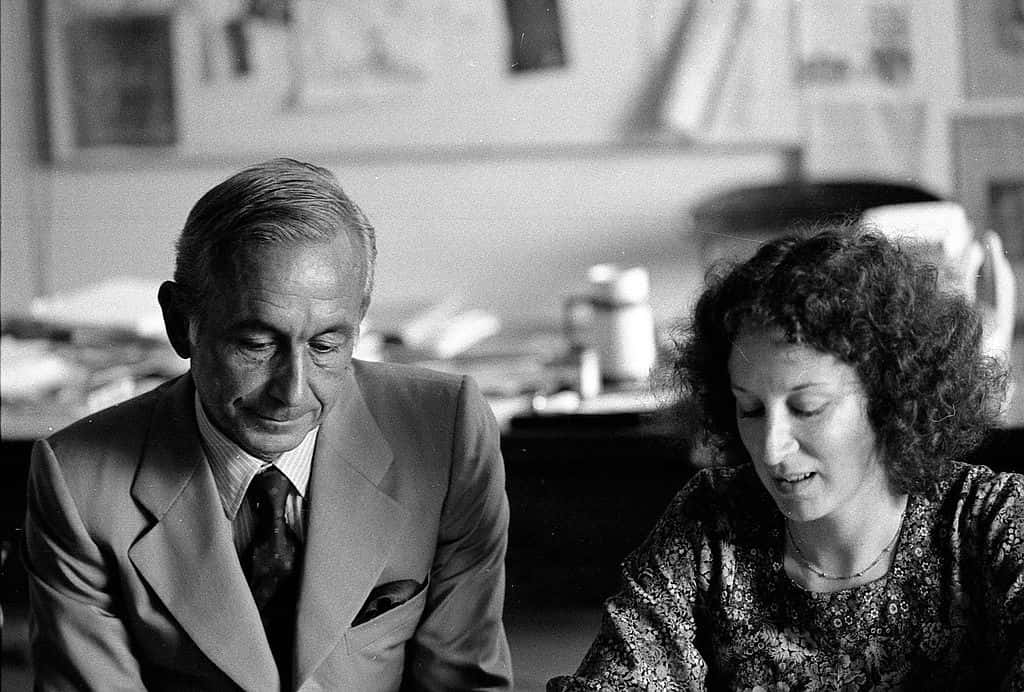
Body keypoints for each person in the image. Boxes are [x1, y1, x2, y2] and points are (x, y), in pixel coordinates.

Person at [24, 158, 513, 691]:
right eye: (255, 345)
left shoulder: (445, 430)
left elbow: (465, 681)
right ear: (178, 324)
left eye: (327, 345)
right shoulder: (78, 480)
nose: (292, 393)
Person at [549, 226, 1023, 690]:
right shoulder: (710, 526)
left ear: (889, 399)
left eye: (807, 408)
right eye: (750, 409)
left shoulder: (990, 522)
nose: (772, 448)